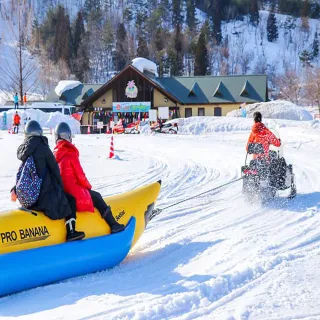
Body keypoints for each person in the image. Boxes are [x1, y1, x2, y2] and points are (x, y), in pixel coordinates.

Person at [11, 120, 85, 242]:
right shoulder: (43, 148)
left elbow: (24, 174)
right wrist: (61, 190)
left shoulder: (25, 151)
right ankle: (71, 232)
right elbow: (55, 170)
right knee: (70, 200)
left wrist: (14, 189)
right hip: (44, 197)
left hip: (30, 198)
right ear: (40, 132)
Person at [53, 122, 125, 233]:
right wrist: (88, 187)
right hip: (74, 193)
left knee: (93, 195)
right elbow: (81, 176)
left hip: (63, 195)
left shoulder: (54, 155)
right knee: (97, 196)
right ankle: (113, 224)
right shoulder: (70, 154)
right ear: (68, 136)